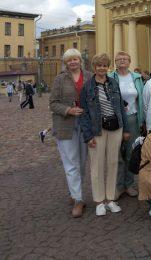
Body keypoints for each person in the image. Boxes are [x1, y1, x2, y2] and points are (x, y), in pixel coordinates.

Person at [80, 53, 130, 217]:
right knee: (97, 165)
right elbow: (84, 113)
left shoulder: (113, 82)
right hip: (97, 130)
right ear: (94, 67)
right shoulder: (88, 87)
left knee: (113, 162)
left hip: (116, 128)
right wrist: (88, 136)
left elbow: (121, 108)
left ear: (108, 67)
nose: (102, 68)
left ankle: (110, 198)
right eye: (99, 65)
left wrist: (126, 129)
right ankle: (99, 201)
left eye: (104, 65)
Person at [49, 49, 92, 218]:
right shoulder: (60, 78)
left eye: (75, 59)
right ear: (66, 63)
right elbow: (53, 103)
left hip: (85, 126)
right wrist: (69, 110)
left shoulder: (89, 76)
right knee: (71, 163)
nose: (73, 62)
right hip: (65, 126)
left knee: (81, 162)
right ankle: (78, 199)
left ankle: (76, 191)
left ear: (80, 60)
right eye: (69, 60)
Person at [109, 51, 144, 198]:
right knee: (116, 154)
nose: (122, 61)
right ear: (115, 62)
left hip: (132, 119)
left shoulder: (136, 78)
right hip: (115, 119)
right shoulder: (110, 77)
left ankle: (129, 184)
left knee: (131, 153)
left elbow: (141, 98)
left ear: (130, 62)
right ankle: (118, 186)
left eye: (125, 59)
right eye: (119, 59)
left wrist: (143, 120)